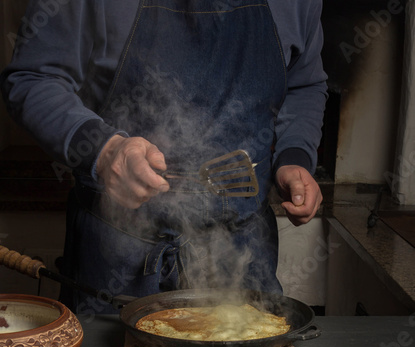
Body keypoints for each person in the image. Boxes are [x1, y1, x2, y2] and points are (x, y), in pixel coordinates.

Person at [0, 0, 327, 315]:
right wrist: (105, 149)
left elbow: (303, 84)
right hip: (115, 256)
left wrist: (295, 155)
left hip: (243, 251)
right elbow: (33, 78)